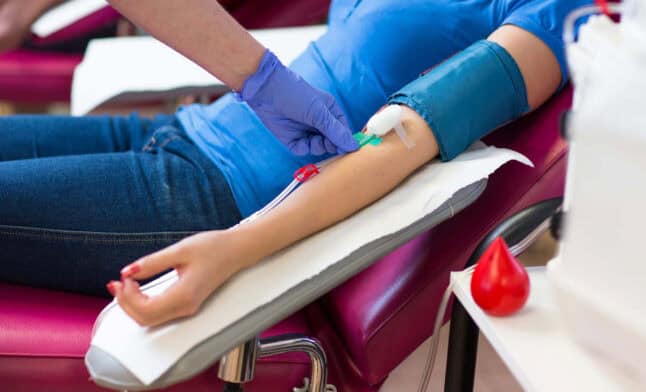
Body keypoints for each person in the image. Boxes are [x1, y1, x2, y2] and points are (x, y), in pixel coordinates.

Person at [0, 0, 591, 327]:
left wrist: (233, 247)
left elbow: (408, 136)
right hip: (183, 129)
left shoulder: (559, 13)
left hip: (214, 195)